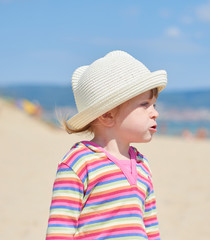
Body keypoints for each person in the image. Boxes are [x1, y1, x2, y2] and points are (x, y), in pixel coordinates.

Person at [46, 51, 167, 240]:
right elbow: (60, 229)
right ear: (107, 115)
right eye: (145, 105)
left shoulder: (142, 164)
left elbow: (151, 227)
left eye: (155, 106)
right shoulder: (79, 162)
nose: (154, 113)